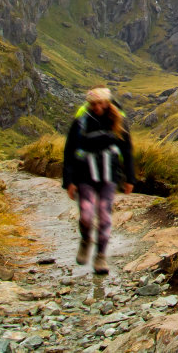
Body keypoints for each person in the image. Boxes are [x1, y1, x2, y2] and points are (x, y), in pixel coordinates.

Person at [62, 85, 134, 274]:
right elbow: (69, 150)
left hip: (109, 174)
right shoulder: (82, 121)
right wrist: (68, 181)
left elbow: (126, 149)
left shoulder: (117, 120)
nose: (97, 107)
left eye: (100, 103)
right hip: (84, 173)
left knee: (104, 216)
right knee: (86, 216)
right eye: (93, 104)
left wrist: (130, 178)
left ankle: (100, 257)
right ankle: (86, 240)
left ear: (107, 102)